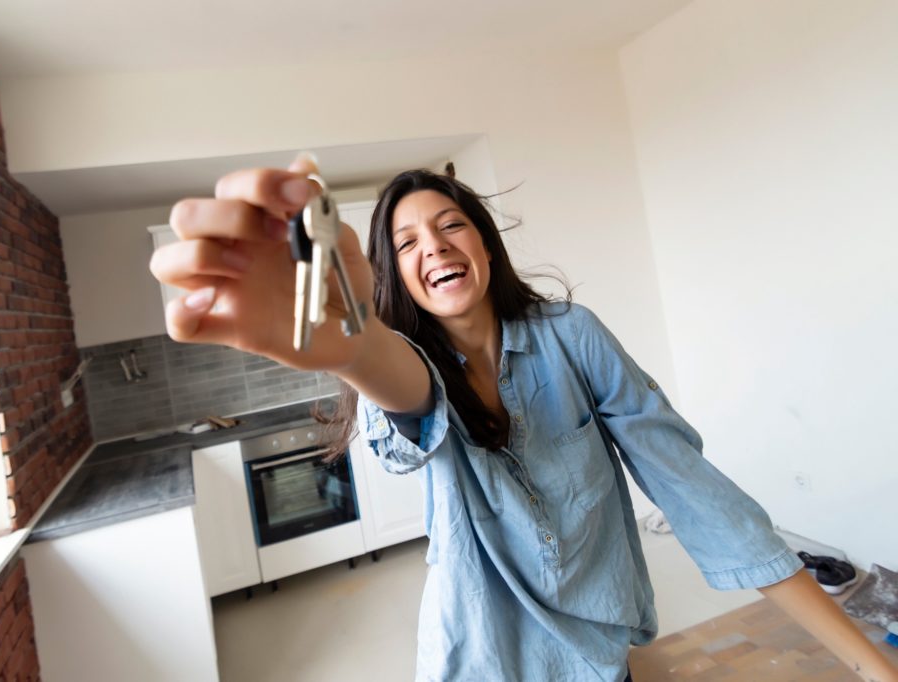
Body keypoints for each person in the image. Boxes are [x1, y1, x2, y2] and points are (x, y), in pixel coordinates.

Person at [150, 155, 898, 682]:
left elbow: (705, 500)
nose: (434, 247)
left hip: (601, 660)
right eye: (406, 243)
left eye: (451, 226)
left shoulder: (573, 335)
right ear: (390, 272)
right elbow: (409, 394)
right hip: (479, 663)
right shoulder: (400, 362)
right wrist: (352, 351)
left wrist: (872, 665)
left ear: (484, 240)